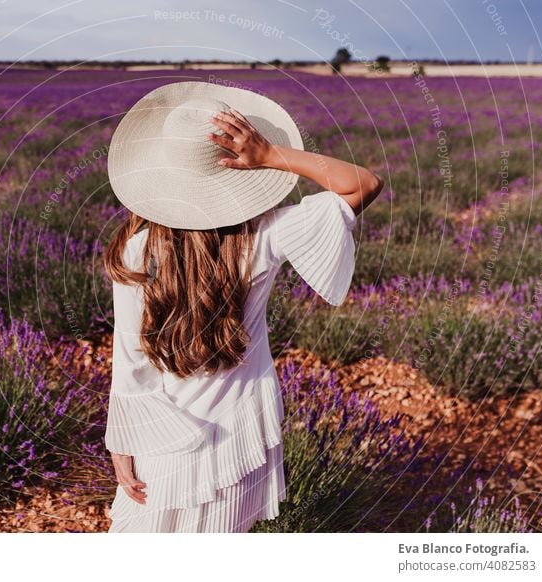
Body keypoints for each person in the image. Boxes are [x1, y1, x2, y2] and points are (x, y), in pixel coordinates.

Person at [102, 81, 383, 533]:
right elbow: (364, 183)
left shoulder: (138, 250)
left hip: (161, 435)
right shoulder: (264, 236)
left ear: (163, 174)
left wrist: (122, 441)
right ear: (237, 168)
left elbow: (130, 359)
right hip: (239, 432)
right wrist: (273, 155)